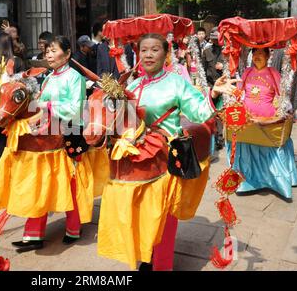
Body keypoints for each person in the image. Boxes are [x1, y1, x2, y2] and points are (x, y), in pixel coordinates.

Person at [97, 33, 237, 271]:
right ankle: (147, 255)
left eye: (154, 50)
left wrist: (213, 93)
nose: (148, 55)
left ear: (166, 53)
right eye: (144, 51)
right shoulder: (131, 84)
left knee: (163, 217)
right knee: (139, 213)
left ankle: (162, 265)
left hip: (165, 159)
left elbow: (199, 112)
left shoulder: (176, 83)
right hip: (134, 161)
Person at [0, 36, 106, 252]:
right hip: (46, 136)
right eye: (47, 52)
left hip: (68, 134)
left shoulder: (75, 77)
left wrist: (46, 106)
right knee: (42, 185)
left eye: (53, 51)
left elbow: (74, 108)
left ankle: (74, 228)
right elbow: (37, 104)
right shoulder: (47, 77)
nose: (49, 55)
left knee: (72, 184)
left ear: (68, 53)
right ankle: (33, 235)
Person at [230, 48, 297, 199]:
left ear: (268, 56)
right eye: (255, 54)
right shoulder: (247, 72)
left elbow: (283, 98)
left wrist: (280, 114)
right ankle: (246, 182)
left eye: (261, 54)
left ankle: (273, 182)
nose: (257, 57)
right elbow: (239, 94)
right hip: (248, 124)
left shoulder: (273, 73)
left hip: (266, 125)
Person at [0, 32, 24, 159]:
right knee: (13, 132)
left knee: (1, 133)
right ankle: (14, 158)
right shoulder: (17, 61)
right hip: (12, 104)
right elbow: (23, 83)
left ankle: (2, 160)